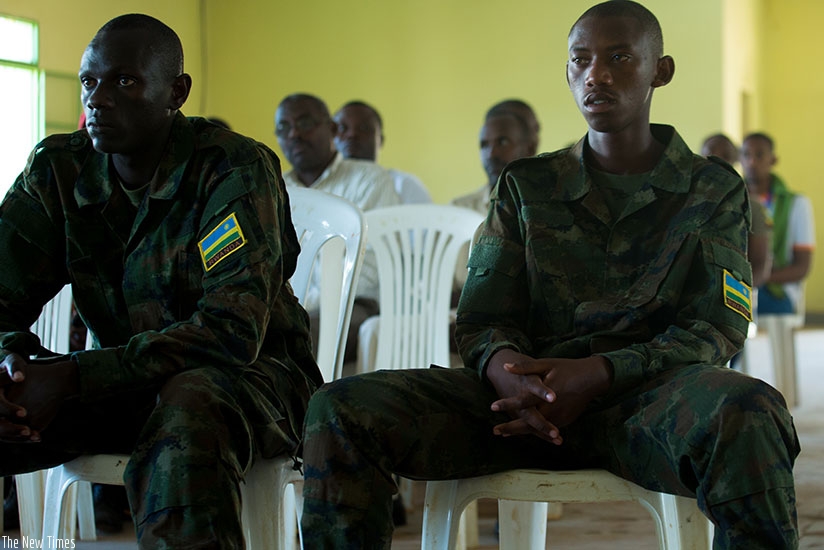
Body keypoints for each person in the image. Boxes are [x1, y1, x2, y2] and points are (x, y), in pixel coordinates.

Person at [299, 2, 800, 549]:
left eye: (619, 57)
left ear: (661, 70)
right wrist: (509, 375)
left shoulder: (712, 188)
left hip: (648, 406)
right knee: (340, 409)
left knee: (751, 412)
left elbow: (715, 329)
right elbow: (482, 319)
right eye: (580, 59)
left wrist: (600, 373)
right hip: (517, 411)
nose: (596, 74)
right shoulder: (525, 186)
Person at [0, 14, 321, 549]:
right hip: (120, 382)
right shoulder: (58, 170)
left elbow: (230, 333)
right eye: (88, 82)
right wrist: (12, 365)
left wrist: (73, 375)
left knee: (188, 405)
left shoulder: (232, 169)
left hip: (253, 383)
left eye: (123, 81)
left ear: (176, 92)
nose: (97, 99)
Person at [275, 93, 401, 364]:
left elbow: (365, 275)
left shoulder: (368, 180)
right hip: (286, 310)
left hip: (355, 305)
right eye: (283, 128)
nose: (294, 134)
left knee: (291, 341)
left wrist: (294, 303)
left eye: (305, 122)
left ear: (332, 129)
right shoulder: (274, 188)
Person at [741, 132, 815, 315]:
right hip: (738, 285)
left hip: (776, 290)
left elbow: (802, 267)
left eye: (759, 155)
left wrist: (758, 278)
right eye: (746, 155)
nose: (751, 161)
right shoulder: (731, 200)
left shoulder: (797, 204)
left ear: (773, 160)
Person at [701, 133, 772, 288]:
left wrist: (740, 293)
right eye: (711, 152)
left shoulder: (751, 206)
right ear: (700, 157)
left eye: (726, 156)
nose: (717, 159)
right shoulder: (683, 200)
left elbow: (760, 264)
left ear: (735, 161)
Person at [334, 100, 431, 204]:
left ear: (380, 140)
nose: (352, 134)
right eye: (342, 128)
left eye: (364, 128)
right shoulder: (320, 188)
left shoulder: (405, 186)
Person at [451, 109, 536, 215]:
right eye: (484, 145)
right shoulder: (459, 210)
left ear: (530, 149)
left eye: (503, 142)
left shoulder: (548, 207)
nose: (491, 154)